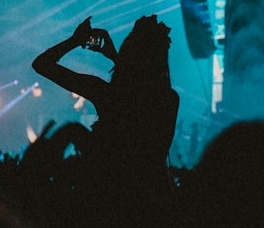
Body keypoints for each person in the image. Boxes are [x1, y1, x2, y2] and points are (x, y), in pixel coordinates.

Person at [32, 15, 179, 224]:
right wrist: (116, 57)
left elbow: (42, 64)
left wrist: (76, 40)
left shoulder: (106, 94)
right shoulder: (169, 100)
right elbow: (139, 87)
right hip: (152, 203)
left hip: (104, 200)